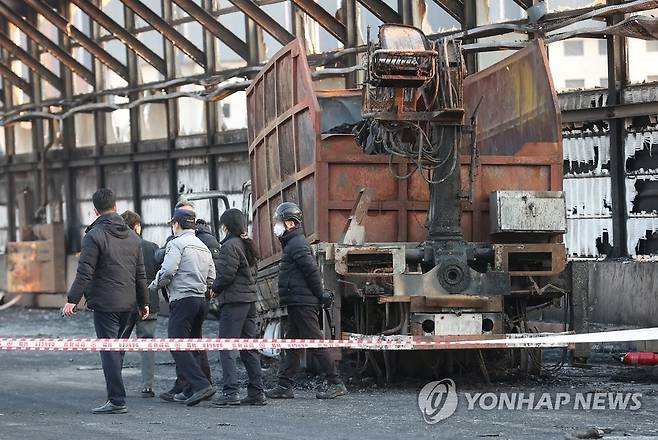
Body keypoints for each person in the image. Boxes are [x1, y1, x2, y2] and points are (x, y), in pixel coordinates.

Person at [63, 189, 149, 414]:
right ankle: (116, 395)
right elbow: (140, 274)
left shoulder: (93, 236)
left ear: (95, 211)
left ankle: (117, 400)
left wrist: (72, 300)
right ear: (116, 206)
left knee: (109, 350)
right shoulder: (133, 237)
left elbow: (85, 272)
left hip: (105, 304)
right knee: (116, 350)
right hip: (129, 303)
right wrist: (144, 302)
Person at [265, 202, 348, 400]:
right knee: (291, 343)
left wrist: (321, 295)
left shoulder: (297, 244)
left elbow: (311, 272)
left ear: (291, 223)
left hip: (303, 303)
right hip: (296, 302)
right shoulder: (292, 243)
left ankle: (336, 383)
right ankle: (284, 385)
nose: (276, 224)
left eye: (279, 220)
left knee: (314, 343)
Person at [150, 208, 216, 407]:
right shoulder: (202, 246)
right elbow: (212, 275)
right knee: (194, 343)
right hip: (201, 301)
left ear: (176, 224)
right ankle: (194, 389)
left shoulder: (176, 243)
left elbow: (169, 269)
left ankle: (201, 385)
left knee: (177, 343)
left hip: (183, 299)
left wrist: (154, 285)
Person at [211, 208, 265, 406]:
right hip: (250, 302)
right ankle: (257, 393)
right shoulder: (247, 245)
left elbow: (226, 274)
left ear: (226, 226)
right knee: (249, 348)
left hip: (234, 303)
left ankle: (230, 392)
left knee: (226, 347)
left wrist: (214, 289)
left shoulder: (230, 246)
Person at [120, 210, 161, 398]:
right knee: (147, 346)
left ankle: (115, 385)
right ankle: (147, 386)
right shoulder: (151, 247)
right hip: (149, 303)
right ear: (137, 226)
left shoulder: (118, 248)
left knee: (118, 344)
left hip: (124, 303)